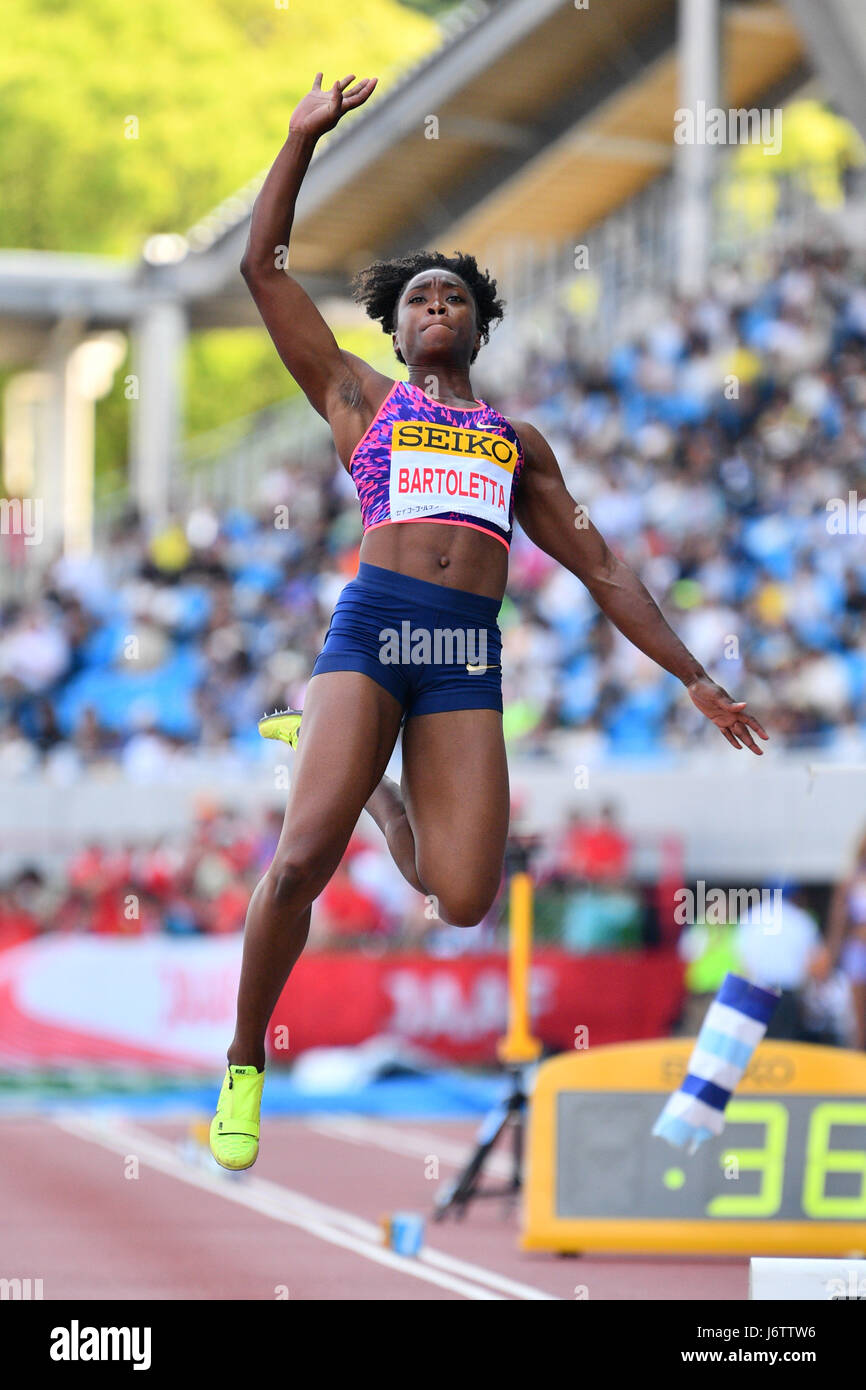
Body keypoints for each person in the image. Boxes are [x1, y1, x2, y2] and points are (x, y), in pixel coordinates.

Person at [209, 71, 770, 1170]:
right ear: (397, 323)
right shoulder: (359, 399)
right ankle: (242, 1061)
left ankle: (373, 783)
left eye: (450, 298)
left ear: (475, 323)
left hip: (463, 655)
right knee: (296, 864)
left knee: (461, 897)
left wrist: (691, 675)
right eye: (416, 297)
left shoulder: (516, 444)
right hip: (375, 630)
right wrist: (299, 140)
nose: (432, 308)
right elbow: (260, 267)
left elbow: (603, 567)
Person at [814, 828, 866, 1048]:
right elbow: (838, 925)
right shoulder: (851, 881)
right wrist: (829, 957)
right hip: (859, 957)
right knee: (860, 1020)